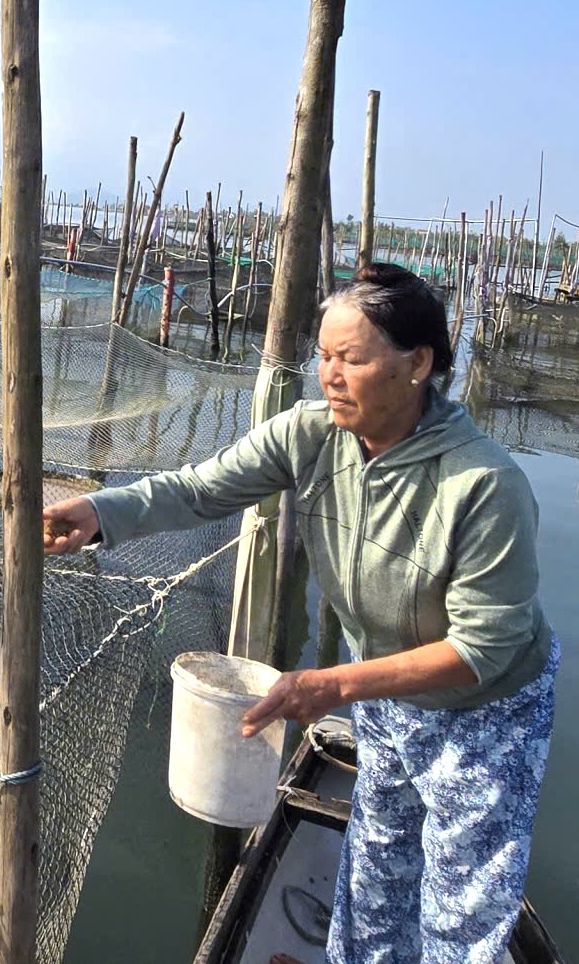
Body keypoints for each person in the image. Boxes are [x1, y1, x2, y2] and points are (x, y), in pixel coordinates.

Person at [44, 263, 559, 964]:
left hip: (482, 713)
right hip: (385, 687)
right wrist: (100, 513)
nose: (329, 375)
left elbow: (485, 650)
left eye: (351, 358)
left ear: (418, 364)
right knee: (376, 867)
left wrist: (336, 684)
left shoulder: (482, 484)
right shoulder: (312, 434)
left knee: (463, 907)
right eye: (322, 356)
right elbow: (200, 490)